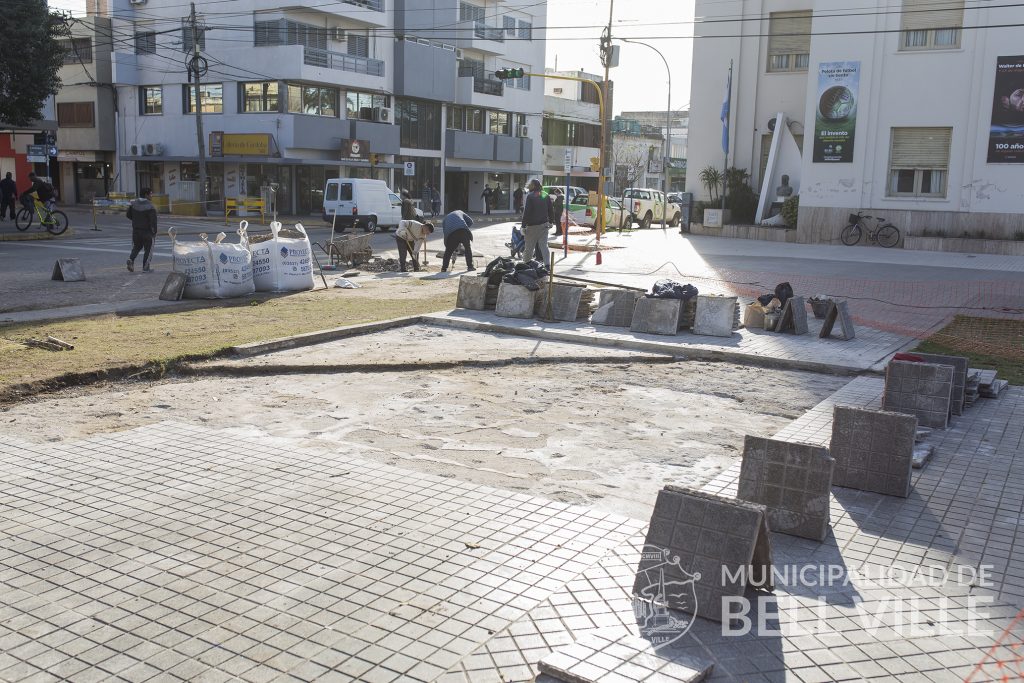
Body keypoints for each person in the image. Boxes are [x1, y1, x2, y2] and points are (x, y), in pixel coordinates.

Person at [520, 179, 553, 266]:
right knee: (544, 246)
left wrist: (523, 226)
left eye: (530, 184)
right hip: (544, 225)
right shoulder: (545, 195)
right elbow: (550, 210)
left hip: (532, 227)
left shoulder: (531, 196)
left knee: (529, 248)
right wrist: (551, 222)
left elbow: (526, 212)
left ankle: (525, 265)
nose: (529, 186)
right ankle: (547, 265)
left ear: (534, 186)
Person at [126, 187, 159, 272]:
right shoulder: (150, 206)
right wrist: (154, 232)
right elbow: (153, 221)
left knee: (136, 247)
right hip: (147, 232)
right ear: (146, 195)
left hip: (136, 231)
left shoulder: (133, 204)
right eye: (150, 194)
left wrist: (137, 220)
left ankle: (131, 259)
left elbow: (128, 215)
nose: (151, 196)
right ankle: (145, 267)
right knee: (148, 249)